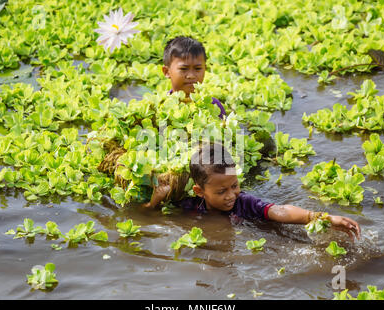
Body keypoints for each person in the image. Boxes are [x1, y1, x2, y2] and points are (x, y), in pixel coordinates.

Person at [144, 143, 361, 241]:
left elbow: (279, 211)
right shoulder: (188, 204)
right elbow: (147, 216)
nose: (231, 195)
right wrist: (155, 202)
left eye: (234, 186)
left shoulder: (244, 203)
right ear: (199, 191)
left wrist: (321, 217)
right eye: (221, 191)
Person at [162, 36, 226, 119]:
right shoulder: (161, 106)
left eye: (198, 69)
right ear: (166, 72)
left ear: (205, 69)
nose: (191, 76)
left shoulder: (214, 105)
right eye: (183, 69)